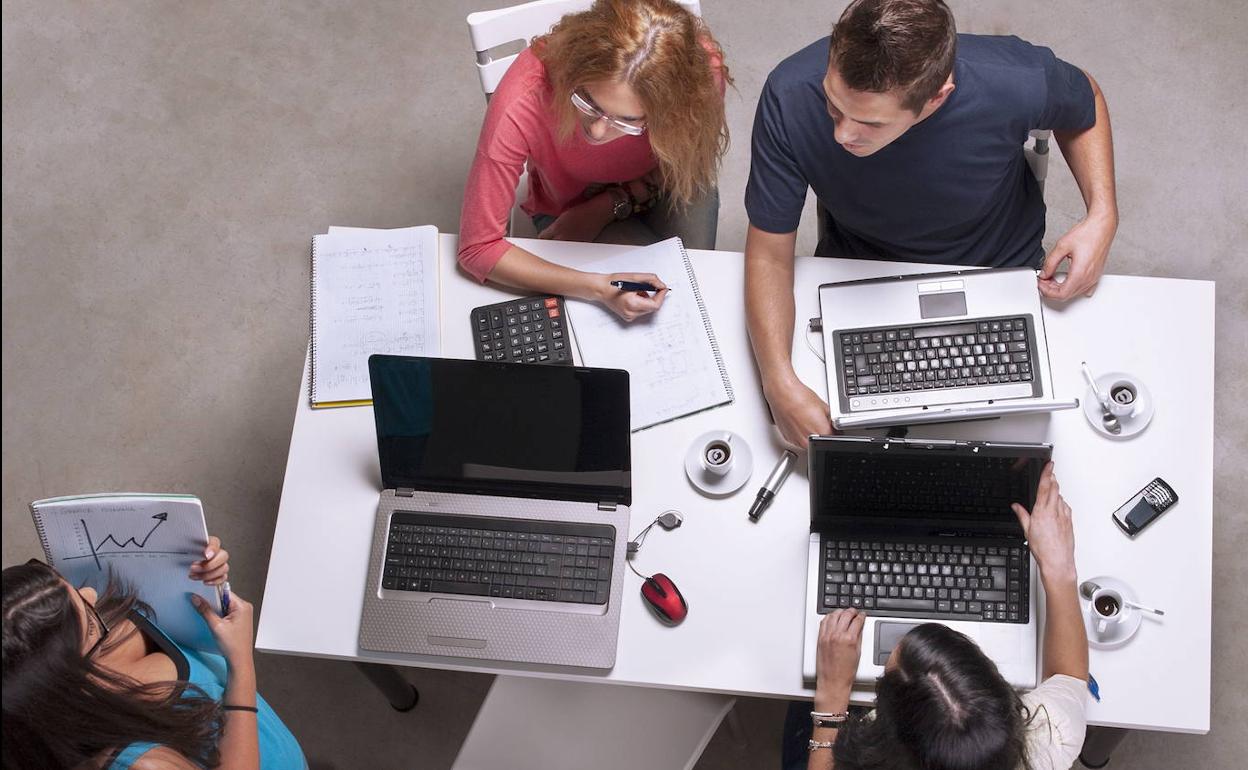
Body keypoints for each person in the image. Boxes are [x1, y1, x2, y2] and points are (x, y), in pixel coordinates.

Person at [745, 0, 1118, 448]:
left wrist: (1102, 215)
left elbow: (1086, 98)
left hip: (999, 266)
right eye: (833, 103)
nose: (841, 134)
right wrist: (778, 381)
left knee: (1031, 437)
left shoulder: (1013, 80)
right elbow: (768, 255)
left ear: (936, 98)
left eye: (869, 122)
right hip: (861, 268)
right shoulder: (789, 95)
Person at [788, 462, 1089, 770]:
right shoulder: (1053, 734)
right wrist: (1059, 568)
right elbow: (1070, 678)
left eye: (884, 683)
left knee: (798, 702)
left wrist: (832, 696)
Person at [457, 0, 730, 321]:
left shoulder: (702, 78)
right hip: (568, 205)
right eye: (587, 100)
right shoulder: (526, 94)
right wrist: (598, 288)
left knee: (689, 293)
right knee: (641, 306)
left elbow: (686, 163)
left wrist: (611, 203)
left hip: (663, 181)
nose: (598, 131)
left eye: (628, 120)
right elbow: (477, 248)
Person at [2, 538, 306, 769]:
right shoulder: (138, 762)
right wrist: (241, 663)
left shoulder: (85, 620)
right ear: (62, 676)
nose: (90, 593)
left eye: (65, 585)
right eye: (88, 617)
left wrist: (204, 573)